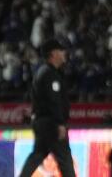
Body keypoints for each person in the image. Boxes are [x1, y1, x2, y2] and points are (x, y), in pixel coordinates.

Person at [17, 38, 76, 177]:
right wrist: (60, 123)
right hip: (51, 123)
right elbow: (53, 100)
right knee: (65, 159)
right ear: (53, 53)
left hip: (41, 121)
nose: (64, 53)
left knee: (37, 155)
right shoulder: (50, 74)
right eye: (61, 50)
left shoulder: (42, 71)